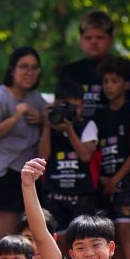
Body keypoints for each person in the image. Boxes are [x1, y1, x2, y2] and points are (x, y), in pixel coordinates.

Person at [0, 46, 49, 245]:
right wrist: (15, 117)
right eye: (24, 67)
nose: (29, 72)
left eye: (34, 68)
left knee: (31, 237)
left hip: (31, 174)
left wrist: (42, 119)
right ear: (12, 69)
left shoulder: (36, 98)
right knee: (6, 240)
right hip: (6, 174)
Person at [94, 55, 130, 259]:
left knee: (125, 234)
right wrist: (104, 179)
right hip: (104, 183)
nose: (109, 86)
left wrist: (116, 179)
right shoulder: (100, 115)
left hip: (127, 183)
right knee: (110, 237)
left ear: (126, 84)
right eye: (105, 81)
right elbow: (94, 151)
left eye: (114, 81)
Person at [40, 78, 98, 242]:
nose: (69, 112)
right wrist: (47, 125)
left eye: (74, 107)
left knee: (82, 240)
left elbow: (85, 156)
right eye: (64, 107)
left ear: (82, 105)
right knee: (57, 241)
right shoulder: (51, 128)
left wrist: (69, 130)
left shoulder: (87, 125)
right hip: (55, 195)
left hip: (81, 196)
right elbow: (43, 157)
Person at [57, 10, 115, 122]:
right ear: (80, 40)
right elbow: (59, 107)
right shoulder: (69, 72)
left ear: (111, 40)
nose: (94, 42)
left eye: (99, 37)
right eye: (88, 38)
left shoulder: (126, 69)